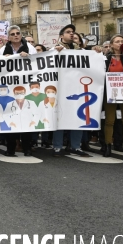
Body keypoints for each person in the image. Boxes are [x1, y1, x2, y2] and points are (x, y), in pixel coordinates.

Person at [52, 25, 91, 157]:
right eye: (68, 32)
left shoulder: (79, 50)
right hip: (61, 88)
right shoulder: (55, 49)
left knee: (77, 117)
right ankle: (57, 146)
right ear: (61, 36)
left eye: (73, 32)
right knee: (60, 117)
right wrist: (55, 53)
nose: (72, 34)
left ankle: (76, 146)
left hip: (76, 88)